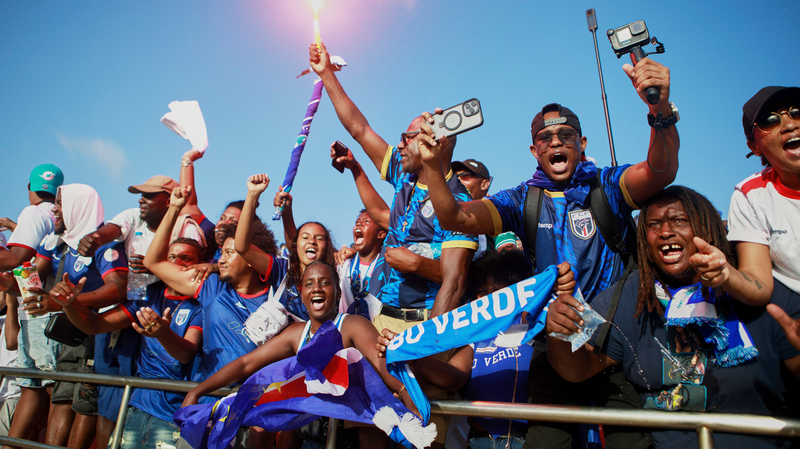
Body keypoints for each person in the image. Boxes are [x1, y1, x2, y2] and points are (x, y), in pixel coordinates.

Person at [416, 53, 678, 449]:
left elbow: (661, 171)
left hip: (615, 344)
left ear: (582, 143)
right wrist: (435, 166)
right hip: (552, 343)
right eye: (545, 138)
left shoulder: (607, 185)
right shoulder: (523, 198)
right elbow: (455, 218)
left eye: (566, 135)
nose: (555, 141)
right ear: (534, 150)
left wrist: (659, 110)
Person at [310, 42, 478, 446]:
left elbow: (455, 284)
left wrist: (426, 343)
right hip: (382, 324)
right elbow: (360, 128)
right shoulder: (404, 180)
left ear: (431, 143)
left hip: (427, 327)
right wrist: (327, 75)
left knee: (422, 431)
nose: (398, 145)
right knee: (374, 427)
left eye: (407, 137)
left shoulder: (460, 204)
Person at [546, 186, 800, 448]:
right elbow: (579, 368)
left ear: (708, 227)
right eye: (654, 224)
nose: (665, 232)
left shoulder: (758, 290)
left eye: (680, 220)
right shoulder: (627, 295)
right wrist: (559, 334)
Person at [182, 261, 416, 448]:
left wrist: (410, 403)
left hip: (349, 438)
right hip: (309, 439)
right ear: (302, 294)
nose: (316, 288)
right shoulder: (296, 333)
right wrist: (198, 390)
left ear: (337, 293)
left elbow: (383, 364)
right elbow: (246, 363)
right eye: (309, 284)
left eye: (325, 282)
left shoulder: (353, 325)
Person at [4, 184, 129, 449]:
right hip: (67, 337)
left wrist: (67, 301)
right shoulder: (57, 243)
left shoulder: (104, 246)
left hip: (95, 336)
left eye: (59, 203)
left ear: (77, 206)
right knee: (61, 396)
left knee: (85, 401)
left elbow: (118, 288)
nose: (54, 209)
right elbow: (34, 285)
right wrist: (8, 285)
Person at [49, 238, 204, 449]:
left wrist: (163, 334)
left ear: (200, 264)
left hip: (175, 411)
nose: (177, 263)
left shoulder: (203, 301)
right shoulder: (148, 295)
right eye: (171, 257)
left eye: (186, 258)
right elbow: (95, 325)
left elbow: (186, 353)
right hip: (138, 404)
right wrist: (70, 304)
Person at [720, 86, 800, 304]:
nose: (791, 124)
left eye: (797, 112)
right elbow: (759, 285)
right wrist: (724, 273)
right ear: (754, 147)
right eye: (769, 120)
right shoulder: (749, 196)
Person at [0, 164, 63, 272]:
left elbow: (14, 259)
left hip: (36, 286)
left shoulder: (34, 212)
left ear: (29, 186)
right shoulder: (62, 214)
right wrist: (16, 227)